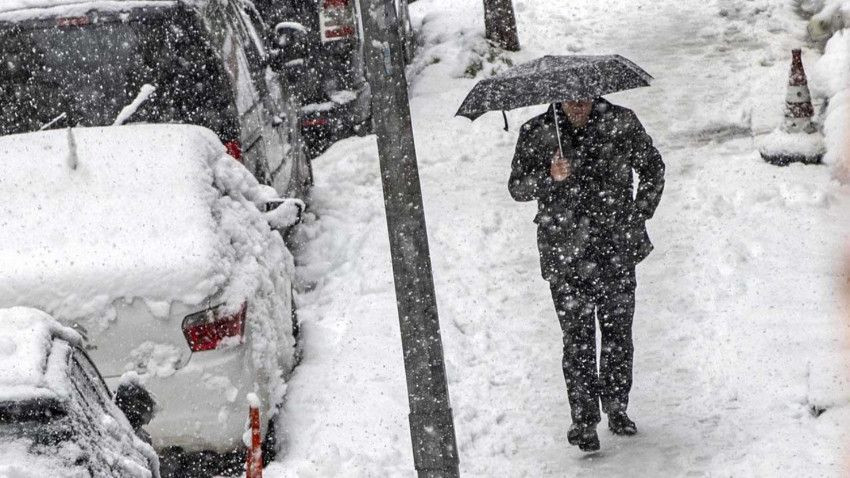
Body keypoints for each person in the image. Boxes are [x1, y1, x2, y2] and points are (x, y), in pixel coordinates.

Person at [509, 98, 665, 452]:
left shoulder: (620, 122)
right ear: (557, 99)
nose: (577, 106)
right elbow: (517, 187)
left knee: (617, 334)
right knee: (576, 340)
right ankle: (583, 420)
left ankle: (616, 407)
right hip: (564, 252)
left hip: (616, 247)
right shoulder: (537, 132)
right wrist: (548, 176)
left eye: (583, 98)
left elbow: (653, 167)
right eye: (569, 100)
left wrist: (639, 212)